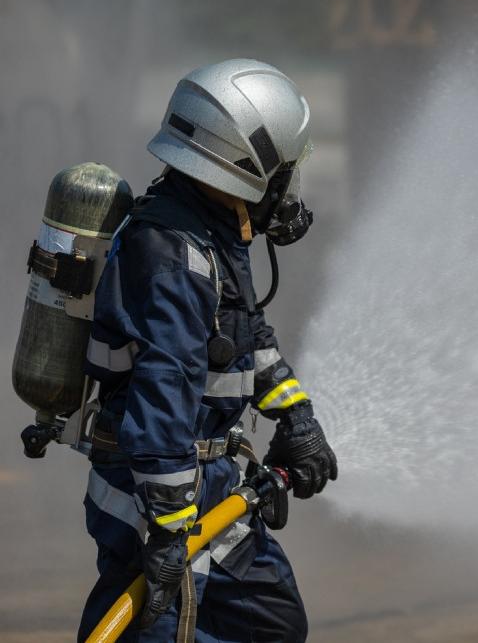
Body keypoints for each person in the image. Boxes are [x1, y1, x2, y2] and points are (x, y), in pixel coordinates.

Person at [77, 59, 337, 642]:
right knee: (155, 629)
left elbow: (248, 340)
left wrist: (297, 418)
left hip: (208, 481)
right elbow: (163, 393)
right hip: (155, 492)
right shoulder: (172, 253)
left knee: (271, 621)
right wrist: (169, 534)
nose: (287, 190)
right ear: (248, 165)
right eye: (283, 172)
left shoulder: (215, 230)